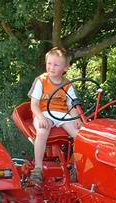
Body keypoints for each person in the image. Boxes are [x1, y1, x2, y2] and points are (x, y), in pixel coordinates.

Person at [28, 47, 82, 183]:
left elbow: (72, 105)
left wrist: (77, 118)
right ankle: (38, 168)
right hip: (44, 113)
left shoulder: (68, 85)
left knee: (80, 136)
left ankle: (75, 166)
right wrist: (40, 117)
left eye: (56, 65)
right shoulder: (41, 80)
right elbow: (34, 104)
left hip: (63, 115)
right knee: (42, 131)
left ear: (66, 67)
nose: (51, 67)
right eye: (49, 64)